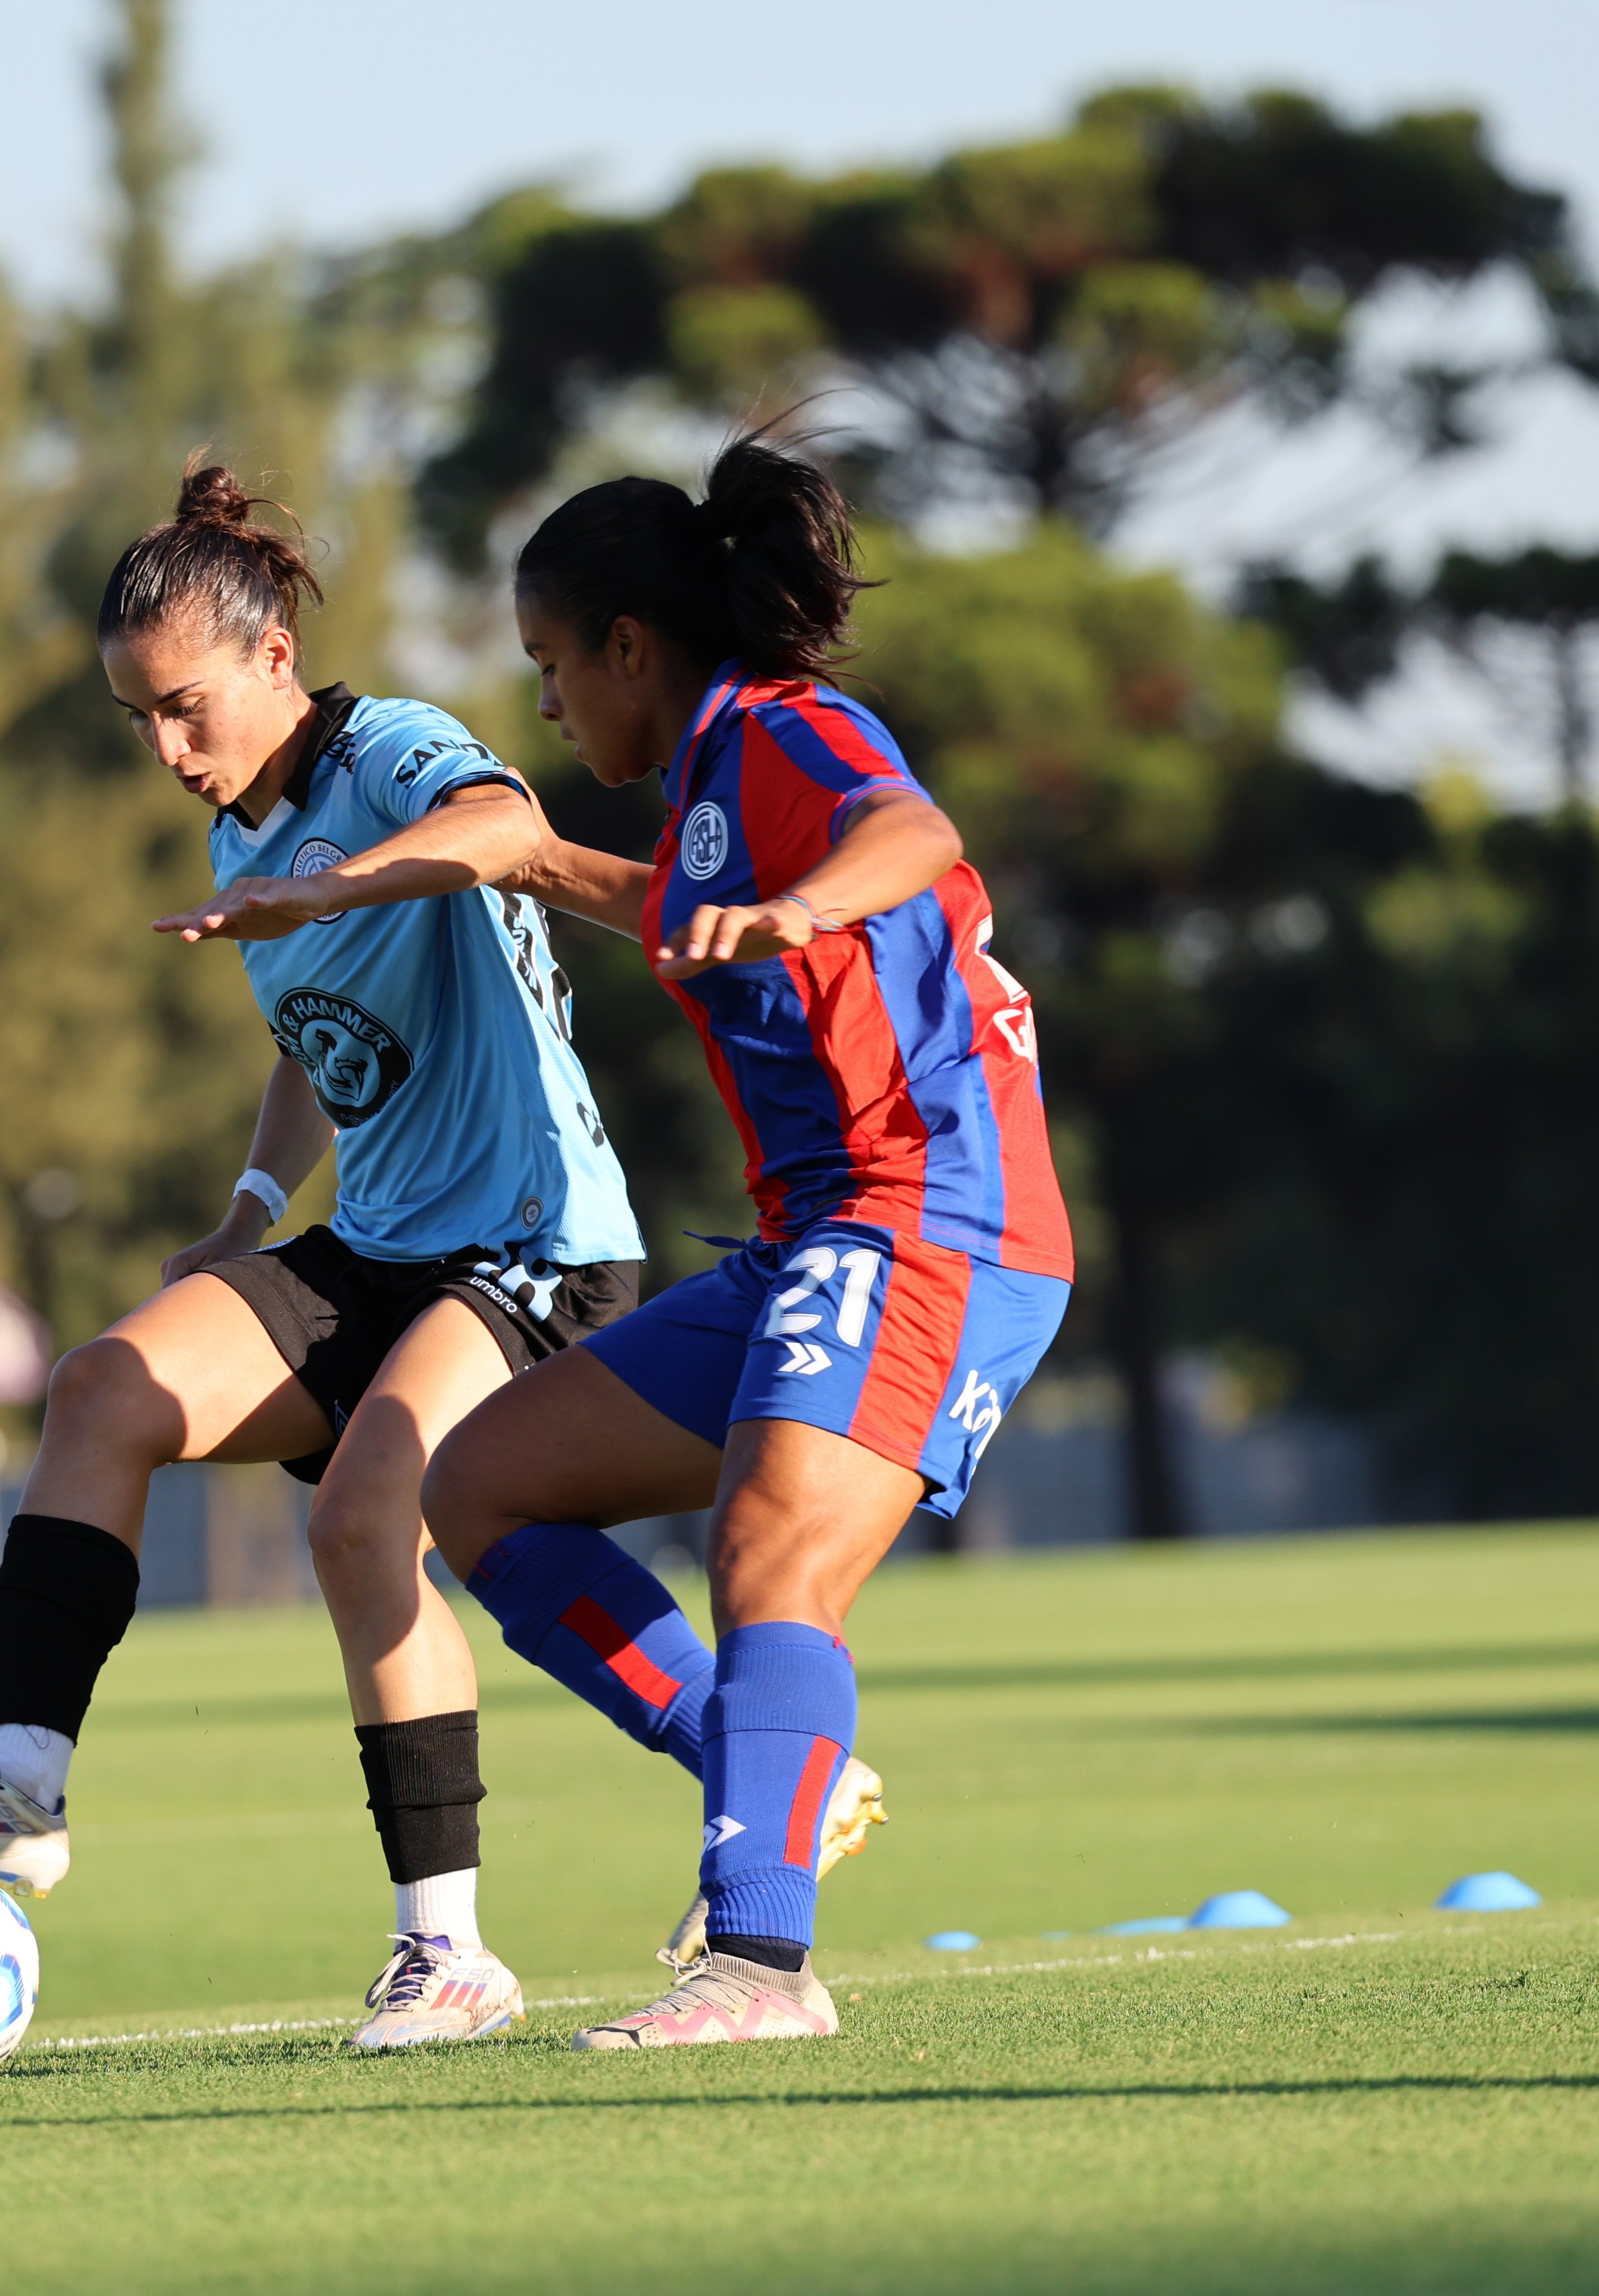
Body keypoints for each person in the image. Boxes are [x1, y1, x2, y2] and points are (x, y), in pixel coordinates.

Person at [0, 463, 648, 2049]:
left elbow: (504, 828)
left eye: (186, 709)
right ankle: (22, 1788)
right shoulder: (237, 849)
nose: (169, 751)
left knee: (360, 1522)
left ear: (276, 662)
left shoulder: (390, 747)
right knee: (104, 1386)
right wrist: (255, 1212)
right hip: (388, 1244)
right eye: (140, 723)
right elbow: (314, 1046)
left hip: (539, 1246)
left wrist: (320, 888)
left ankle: (448, 1952)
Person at [426, 432, 1073, 2049]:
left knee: (770, 1548)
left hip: (939, 1218)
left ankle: (760, 1966)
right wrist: (509, 860)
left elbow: (910, 830)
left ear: (631, 646)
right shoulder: (709, 788)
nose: (552, 706)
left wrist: (811, 908)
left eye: (553, 666)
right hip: (820, 1240)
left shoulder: (783, 732)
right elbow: (675, 898)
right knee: (482, 1487)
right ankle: (777, 1771)